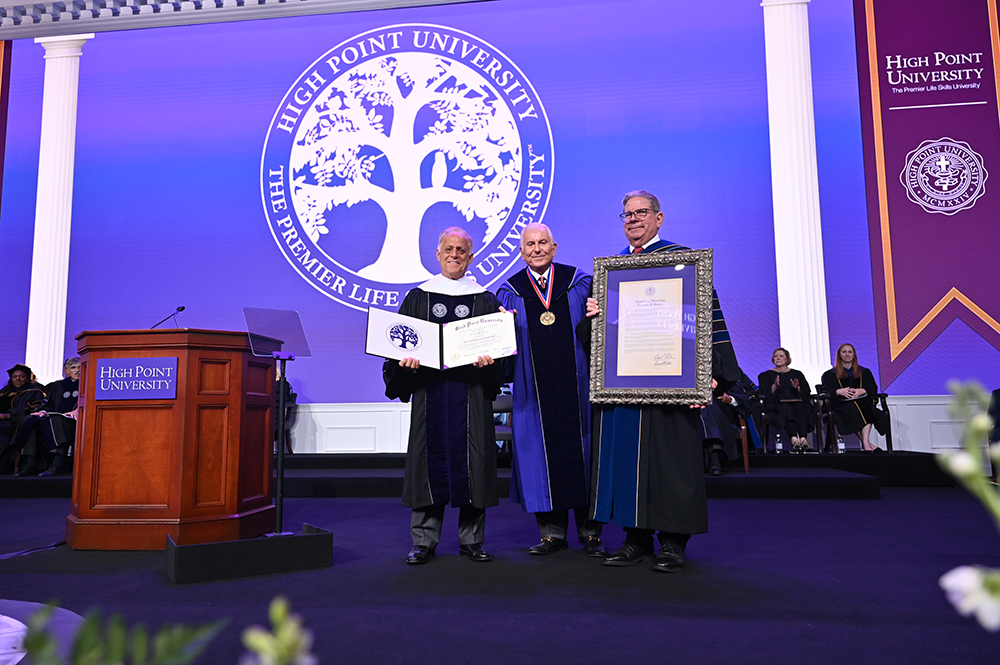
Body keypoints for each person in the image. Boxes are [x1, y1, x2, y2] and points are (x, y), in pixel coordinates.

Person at [586, 190, 741, 572]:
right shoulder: (612, 272)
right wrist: (593, 318)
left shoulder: (682, 264)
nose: (634, 220)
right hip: (624, 388)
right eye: (626, 215)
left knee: (671, 464)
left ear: (659, 218)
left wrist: (704, 379)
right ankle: (634, 539)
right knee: (626, 462)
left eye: (641, 213)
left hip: (672, 383)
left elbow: (704, 324)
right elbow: (602, 340)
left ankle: (672, 543)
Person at [383, 227, 506, 565]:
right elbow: (397, 345)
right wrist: (404, 364)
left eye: (462, 250)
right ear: (438, 254)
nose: (455, 254)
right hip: (429, 393)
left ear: (470, 256)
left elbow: (500, 355)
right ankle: (424, 540)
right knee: (427, 463)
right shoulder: (418, 297)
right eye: (449, 249)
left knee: (475, 464)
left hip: (471, 394)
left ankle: (472, 540)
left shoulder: (484, 298)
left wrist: (491, 360)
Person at [496, 223, 605, 557]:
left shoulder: (580, 283)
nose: (537, 249)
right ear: (521, 250)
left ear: (554, 247)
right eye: (530, 244)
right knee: (538, 457)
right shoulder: (508, 293)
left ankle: (590, 533)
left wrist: (596, 315)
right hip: (534, 389)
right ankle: (551, 534)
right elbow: (504, 346)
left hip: (577, 386)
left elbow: (595, 334)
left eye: (543, 242)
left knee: (585, 455)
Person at [13, 356, 81, 476]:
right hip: (54, 416)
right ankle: (31, 463)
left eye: (80, 367)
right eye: (73, 367)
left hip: (75, 420)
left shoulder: (90, 384)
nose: (77, 370)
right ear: (67, 370)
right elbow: (49, 404)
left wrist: (79, 410)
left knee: (57, 420)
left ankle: (57, 463)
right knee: (30, 420)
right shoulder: (57, 386)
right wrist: (43, 411)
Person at [821, 343, 881, 452]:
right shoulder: (830, 374)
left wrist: (862, 391)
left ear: (854, 355)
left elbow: (872, 388)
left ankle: (866, 442)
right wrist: (839, 391)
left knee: (864, 406)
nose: (847, 354)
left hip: (861, 403)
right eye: (844, 352)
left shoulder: (864, 372)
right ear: (839, 355)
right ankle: (867, 444)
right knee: (854, 408)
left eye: (850, 352)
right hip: (841, 404)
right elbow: (827, 392)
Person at [758, 348, 814, 452]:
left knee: (800, 407)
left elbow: (806, 392)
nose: (778, 358)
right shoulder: (766, 375)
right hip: (776, 405)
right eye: (776, 356)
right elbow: (763, 394)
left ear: (787, 359)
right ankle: (794, 439)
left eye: (781, 356)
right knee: (786, 408)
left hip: (797, 403)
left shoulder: (797, 374)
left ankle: (802, 439)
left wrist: (797, 388)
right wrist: (774, 386)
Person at [0, 364, 47, 475]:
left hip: (16, 422)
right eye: (15, 376)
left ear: (28, 378)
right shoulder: (4, 392)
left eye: (22, 376)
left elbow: (30, 409)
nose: (18, 379)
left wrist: (7, 416)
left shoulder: (34, 391)